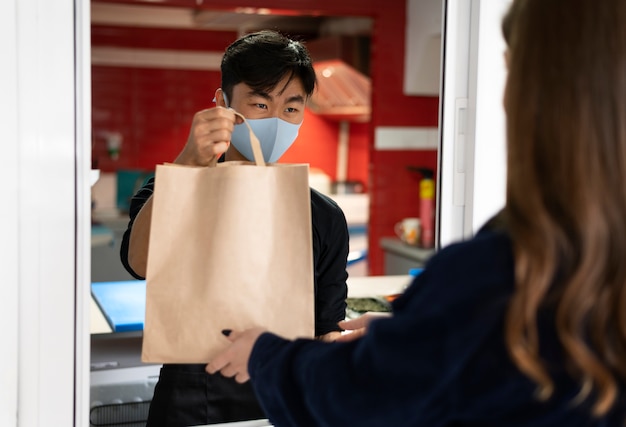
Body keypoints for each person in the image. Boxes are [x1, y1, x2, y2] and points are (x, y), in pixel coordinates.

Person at [206, 0, 626, 425]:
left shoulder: (491, 272)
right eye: (261, 104)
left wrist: (266, 354)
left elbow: (359, 397)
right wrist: (408, 336)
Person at [119, 30, 349, 426]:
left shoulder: (323, 214)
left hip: (283, 397)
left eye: (291, 109)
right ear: (222, 102)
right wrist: (189, 163)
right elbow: (138, 262)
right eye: (260, 103)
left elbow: (326, 327)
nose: (277, 120)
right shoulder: (172, 185)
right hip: (189, 398)